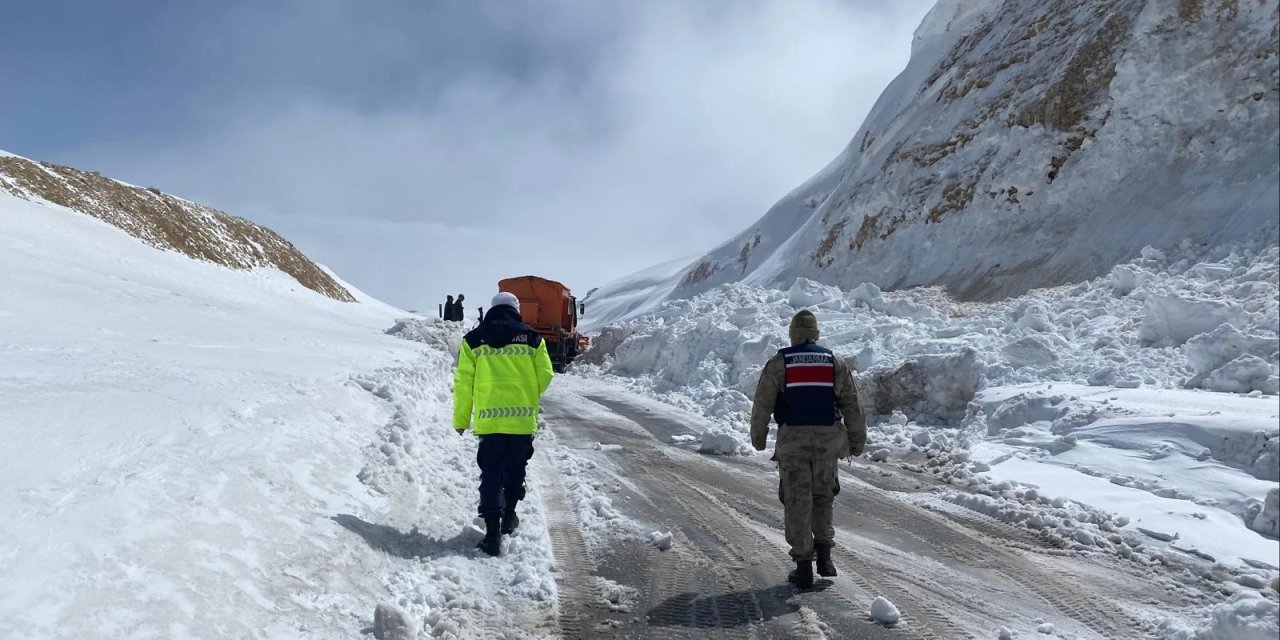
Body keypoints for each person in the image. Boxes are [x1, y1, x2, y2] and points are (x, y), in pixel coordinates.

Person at [749, 309, 866, 588]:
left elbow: (762, 404)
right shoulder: (834, 362)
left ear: (792, 336)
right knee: (823, 496)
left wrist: (759, 438)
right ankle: (825, 557)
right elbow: (852, 403)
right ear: (816, 335)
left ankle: (803, 568)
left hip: (794, 443)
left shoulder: (780, 363)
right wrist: (857, 441)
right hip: (828, 443)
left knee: (797, 500)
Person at [453, 292, 555, 556]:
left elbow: (464, 383)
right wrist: (527, 393)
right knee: (515, 470)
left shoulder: (473, 340)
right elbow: (545, 375)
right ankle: (509, 516)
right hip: (521, 421)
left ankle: (492, 535)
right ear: (516, 310)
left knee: (491, 475)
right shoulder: (533, 338)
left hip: (490, 422)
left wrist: (461, 419)